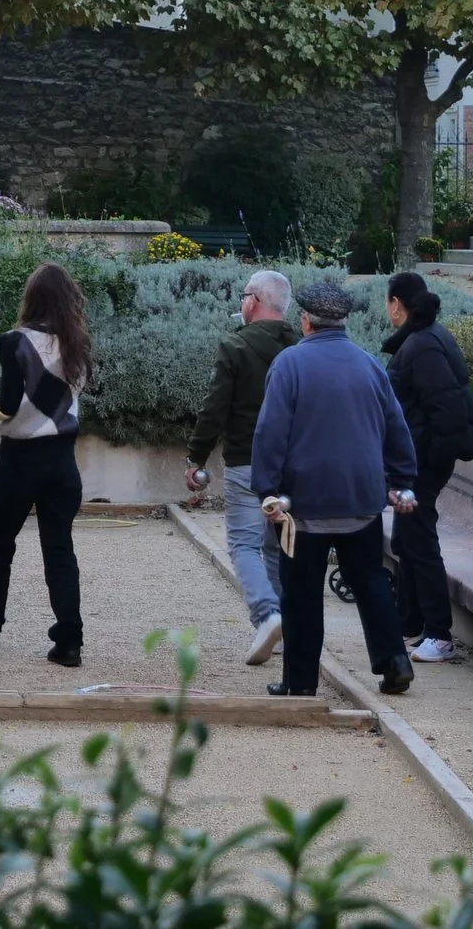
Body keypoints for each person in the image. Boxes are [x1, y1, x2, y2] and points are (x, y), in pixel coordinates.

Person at [254, 277, 418, 699]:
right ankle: (394, 661)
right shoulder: (369, 365)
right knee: (370, 579)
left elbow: (271, 433)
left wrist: (266, 490)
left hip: (304, 502)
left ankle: (300, 682)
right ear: (342, 321)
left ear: (306, 321)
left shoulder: (289, 364)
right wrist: (402, 480)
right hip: (361, 497)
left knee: (302, 591)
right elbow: (396, 429)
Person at [0, 261, 93, 669]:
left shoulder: (14, 342)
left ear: (31, 297)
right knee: (60, 550)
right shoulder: (77, 344)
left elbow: (8, 406)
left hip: (21, 462)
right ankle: (69, 641)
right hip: (64, 462)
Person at [182, 270, 299, 665]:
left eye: (245, 295)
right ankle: (285, 624)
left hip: (247, 460)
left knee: (244, 544)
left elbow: (215, 407)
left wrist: (196, 456)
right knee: (278, 545)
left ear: (254, 301)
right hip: (291, 465)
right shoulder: (301, 347)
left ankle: (268, 614)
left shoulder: (236, 346)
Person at [381, 271, 473, 666]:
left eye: (387, 303)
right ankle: (411, 626)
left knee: (418, 542)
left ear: (396, 304)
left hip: (423, 462)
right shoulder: (424, 339)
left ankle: (439, 634)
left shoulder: (422, 345)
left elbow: (446, 410)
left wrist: (427, 462)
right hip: (418, 460)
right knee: (407, 541)